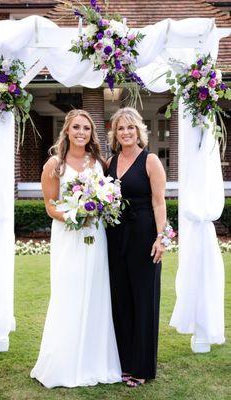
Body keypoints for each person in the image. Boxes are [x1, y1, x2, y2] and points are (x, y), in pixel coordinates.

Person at [30, 109, 121, 388]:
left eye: (86, 128)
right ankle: (63, 362)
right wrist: (76, 215)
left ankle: (95, 361)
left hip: (95, 236)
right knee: (68, 292)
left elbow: (109, 193)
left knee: (95, 292)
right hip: (69, 236)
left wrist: (100, 208)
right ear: (67, 131)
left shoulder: (98, 162)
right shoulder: (54, 164)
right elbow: (50, 205)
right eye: (76, 128)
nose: (81, 132)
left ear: (92, 133)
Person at [106, 107, 167, 387]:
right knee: (122, 300)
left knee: (144, 301)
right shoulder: (110, 162)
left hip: (144, 237)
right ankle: (125, 362)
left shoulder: (150, 160)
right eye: (121, 128)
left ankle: (142, 367)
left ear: (139, 130)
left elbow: (159, 202)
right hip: (116, 238)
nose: (126, 132)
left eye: (130, 127)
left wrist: (161, 238)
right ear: (114, 133)